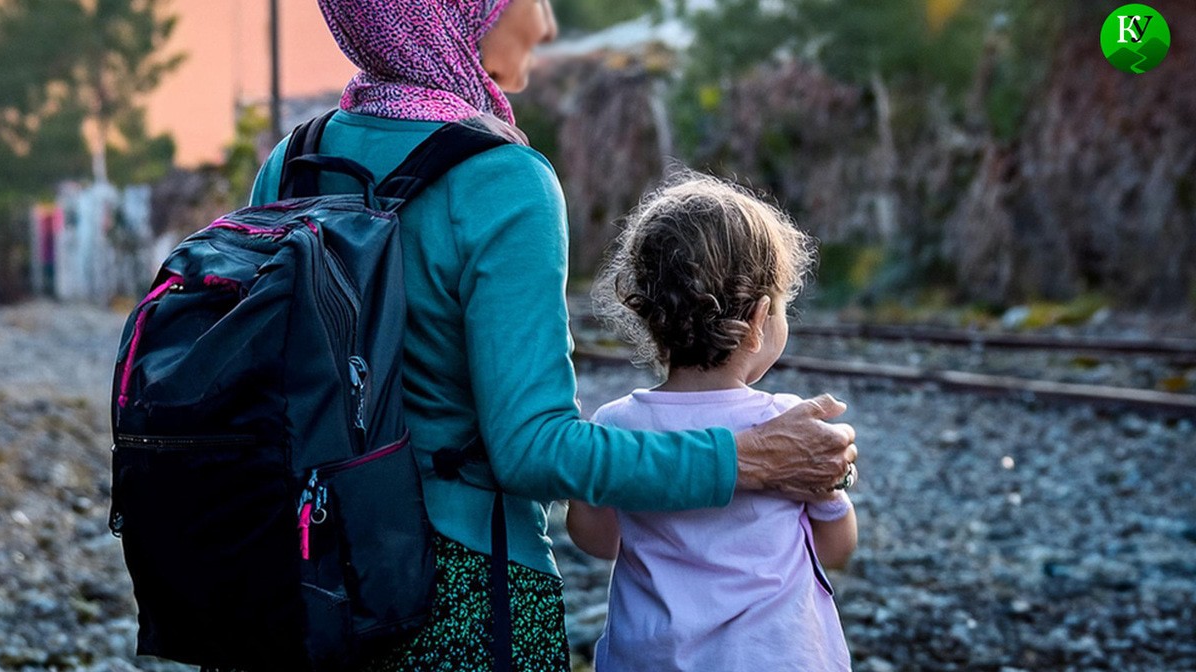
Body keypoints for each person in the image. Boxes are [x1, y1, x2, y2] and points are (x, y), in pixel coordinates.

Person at [249, 1, 858, 669]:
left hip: (301, 577)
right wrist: (748, 460)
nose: (546, 25)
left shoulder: (292, 163)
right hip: (456, 591)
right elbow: (530, 452)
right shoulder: (500, 179)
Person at [566, 173, 857, 672]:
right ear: (762, 317)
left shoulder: (616, 425)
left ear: (649, 314)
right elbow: (836, 549)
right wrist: (832, 488)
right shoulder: (787, 427)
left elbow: (597, 540)